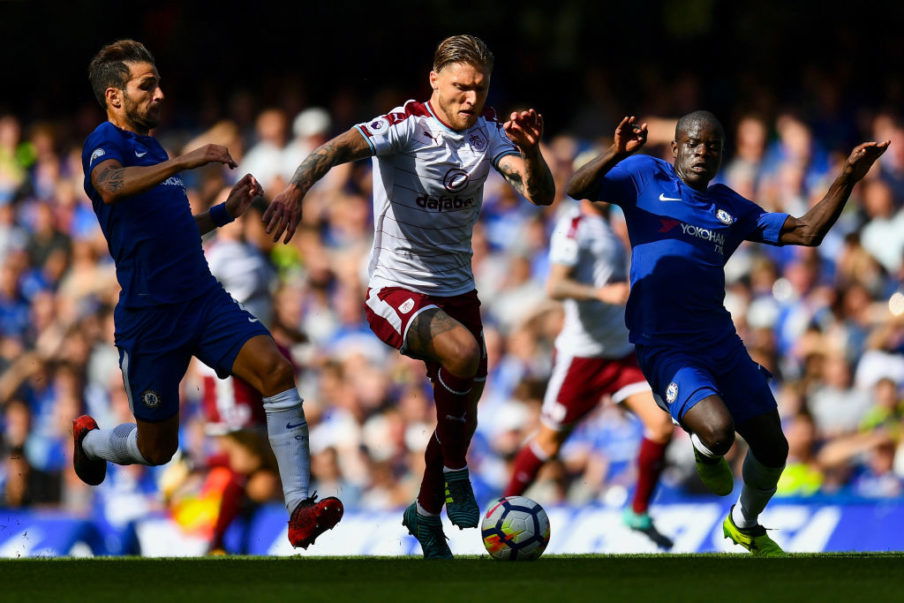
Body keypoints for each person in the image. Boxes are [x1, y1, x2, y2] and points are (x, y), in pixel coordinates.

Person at [266, 34, 555, 558]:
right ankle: (456, 476)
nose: (471, 98)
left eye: (480, 87)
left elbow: (539, 194)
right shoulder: (407, 125)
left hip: (459, 294)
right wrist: (294, 189)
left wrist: (532, 153)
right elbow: (335, 149)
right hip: (394, 290)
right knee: (463, 358)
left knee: (459, 411)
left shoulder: (489, 133)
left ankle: (424, 515)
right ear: (435, 80)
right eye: (461, 87)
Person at [567, 112, 889, 556]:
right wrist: (615, 153)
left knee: (774, 447)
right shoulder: (644, 176)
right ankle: (702, 442)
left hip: (720, 342)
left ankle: (745, 524)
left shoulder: (730, 207)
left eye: (713, 146)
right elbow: (575, 188)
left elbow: (808, 232)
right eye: (694, 144)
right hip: (665, 344)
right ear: (675, 148)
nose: (703, 153)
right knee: (719, 433)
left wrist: (847, 178)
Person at [72, 39, 343, 550]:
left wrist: (222, 215)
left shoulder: (153, 150)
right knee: (158, 449)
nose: (159, 94)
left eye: (158, 83)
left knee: (277, 371)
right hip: (150, 317)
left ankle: (300, 510)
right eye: (146, 85)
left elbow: (172, 231)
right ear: (114, 96)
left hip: (202, 299)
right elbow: (109, 186)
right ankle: (89, 441)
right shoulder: (103, 142)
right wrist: (186, 161)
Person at [503, 197, 674, 549]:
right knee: (549, 444)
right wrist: (601, 293)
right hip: (583, 357)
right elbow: (555, 286)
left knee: (660, 424)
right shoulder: (575, 225)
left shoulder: (612, 222)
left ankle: (638, 512)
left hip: (621, 353)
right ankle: (504, 511)